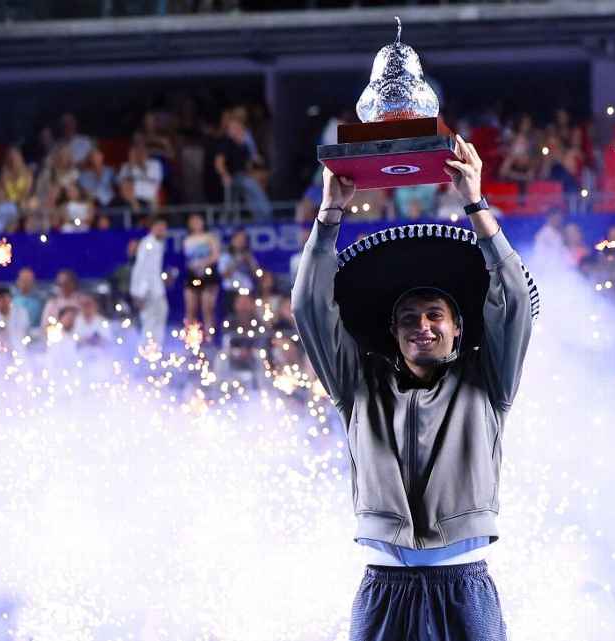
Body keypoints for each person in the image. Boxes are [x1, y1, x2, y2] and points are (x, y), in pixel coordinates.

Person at [292, 134, 537, 640]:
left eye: (434, 315)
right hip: (384, 588)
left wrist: (474, 200)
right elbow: (310, 309)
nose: (421, 326)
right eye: (408, 317)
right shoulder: (356, 387)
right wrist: (330, 214)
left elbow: (513, 300)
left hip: (465, 590)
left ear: (458, 327)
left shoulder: (488, 382)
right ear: (393, 331)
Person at [130, 216, 170, 340]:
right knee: (149, 320)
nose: (162, 230)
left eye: (164, 228)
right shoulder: (148, 244)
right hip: (148, 291)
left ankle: (155, 349)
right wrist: (139, 293)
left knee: (159, 315)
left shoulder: (157, 244)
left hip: (155, 290)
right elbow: (142, 268)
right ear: (153, 228)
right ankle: (147, 351)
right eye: (160, 227)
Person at [183, 212, 222, 335]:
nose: (196, 224)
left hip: (208, 274)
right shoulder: (187, 240)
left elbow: (216, 256)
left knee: (207, 308)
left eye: (198, 220)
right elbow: (187, 259)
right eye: (193, 221)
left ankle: (209, 335)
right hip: (192, 274)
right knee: (190, 308)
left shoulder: (210, 237)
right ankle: (191, 339)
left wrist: (203, 263)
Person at [118, 140, 164, 209]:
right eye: (137, 151)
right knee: (125, 187)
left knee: (154, 201)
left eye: (142, 151)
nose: (139, 153)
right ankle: (136, 211)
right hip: (131, 199)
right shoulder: (125, 166)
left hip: (149, 197)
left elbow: (157, 181)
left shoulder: (155, 164)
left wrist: (142, 166)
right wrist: (131, 166)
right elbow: (121, 183)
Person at [218, 228, 259, 294]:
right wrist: (237, 262)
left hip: (247, 290)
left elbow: (257, 275)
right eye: (239, 238)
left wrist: (250, 262)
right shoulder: (225, 255)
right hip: (231, 290)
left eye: (243, 239)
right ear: (233, 240)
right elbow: (224, 274)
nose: (241, 241)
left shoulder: (248, 255)